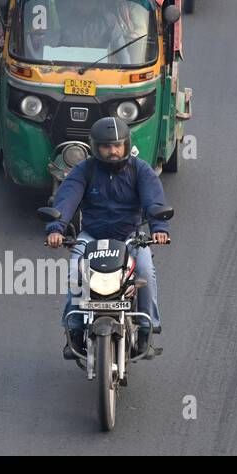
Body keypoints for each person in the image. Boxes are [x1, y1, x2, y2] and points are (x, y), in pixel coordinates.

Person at [45, 117, 170, 361]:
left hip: (130, 238)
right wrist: (56, 229)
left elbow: (154, 201)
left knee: (146, 269)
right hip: (92, 237)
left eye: (117, 146)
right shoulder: (85, 170)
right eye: (106, 146)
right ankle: (75, 330)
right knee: (74, 274)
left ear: (126, 145)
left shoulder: (140, 169)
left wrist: (159, 227)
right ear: (96, 147)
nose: (113, 151)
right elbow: (66, 199)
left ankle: (147, 329)